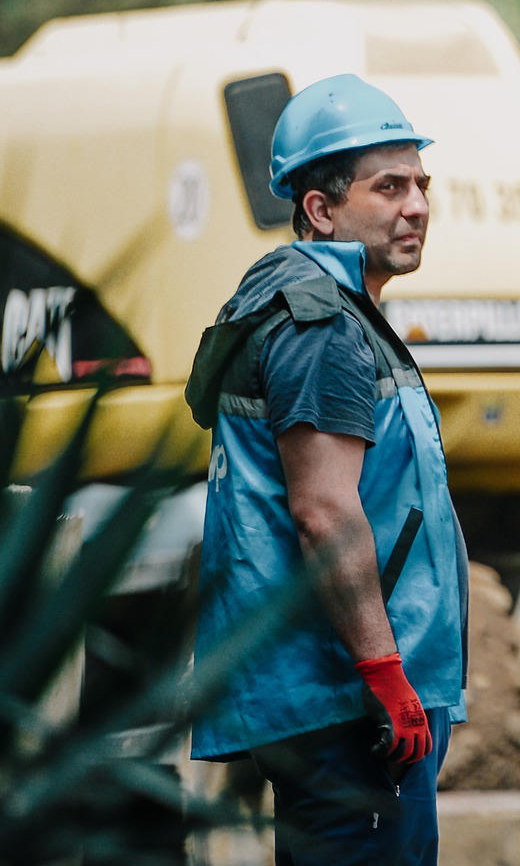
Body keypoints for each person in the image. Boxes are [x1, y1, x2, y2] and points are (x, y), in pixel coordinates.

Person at [185, 74, 468, 866]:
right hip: (347, 699)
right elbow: (324, 509)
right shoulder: (320, 325)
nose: (416, 205)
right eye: (389, 187)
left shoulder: (327, 310)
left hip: (342, 692)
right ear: (321, 208)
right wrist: (385, 674)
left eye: (421, 184)